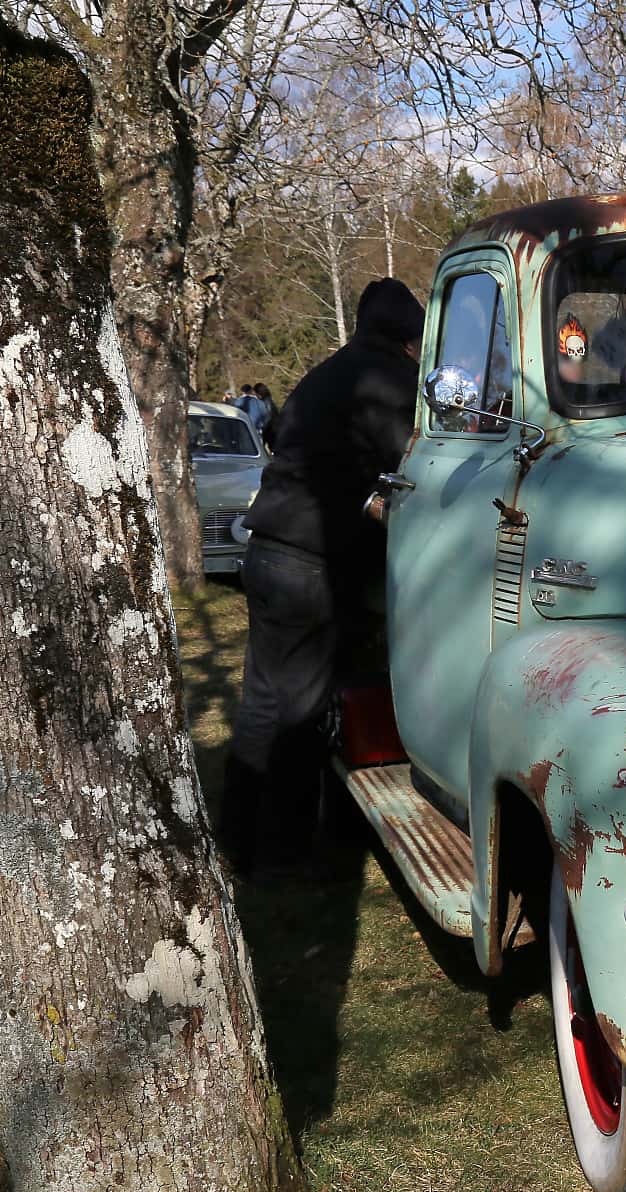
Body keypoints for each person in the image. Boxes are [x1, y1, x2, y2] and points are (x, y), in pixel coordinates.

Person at [222, 278, 425, 877]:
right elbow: (415, 465)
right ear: (409, 337)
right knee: (302, 711)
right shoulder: (390, 384)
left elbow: (282, 439)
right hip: (311, 564)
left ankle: (237, 839)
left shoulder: (322, 375)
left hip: (266, 549)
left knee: (262, 701)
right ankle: (283, 855)